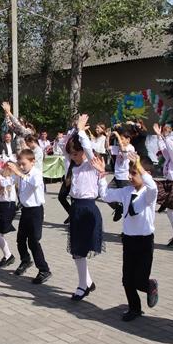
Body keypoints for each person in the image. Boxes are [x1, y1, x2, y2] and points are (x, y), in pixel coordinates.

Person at [95, 153, 158, 321]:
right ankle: (134, 308)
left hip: (145, 241)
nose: (130, 176)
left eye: (134, 173)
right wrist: (101, 177)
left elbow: (153, 188)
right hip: (129, 240)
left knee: (140, 279)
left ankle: (150, 285)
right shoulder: (126, 191)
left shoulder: (149, 194)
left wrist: (141, 166)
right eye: (129, 172)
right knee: (127, 279)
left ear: (146, 174)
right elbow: (106, 195)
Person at [65, 114, 105, 301]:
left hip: (88, 209)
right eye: (71, 154)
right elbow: (62, 147)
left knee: (80, 249)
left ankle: (83, 285)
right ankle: (86, 282)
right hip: (76, 209)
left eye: (76, 153)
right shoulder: (74, 166)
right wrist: (74, 130)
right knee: (76, 249)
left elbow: (88, 147)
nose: (73, 157)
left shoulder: (91, 164)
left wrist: (81, 131)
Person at [7, 149, 52, 284]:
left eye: (24, 164)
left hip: (36, 211)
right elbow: (7, 177)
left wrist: (18, 173)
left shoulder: (36, 173)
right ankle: (25, 261)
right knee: (20, 239)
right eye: (19, 164)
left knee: (33, 241)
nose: (21, 166)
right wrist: (3, 167)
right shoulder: (22, 173)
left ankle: (44, 270)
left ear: (33, 162)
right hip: (25, 210)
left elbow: (34, 184)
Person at [153, 123, 173, 247]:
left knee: (170, 213)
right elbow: (164, 149)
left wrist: (165, 136)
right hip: (167, 183)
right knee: (152, 188)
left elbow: (170, 148)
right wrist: (158, 136)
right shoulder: (170, 158)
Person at [108, 127, 133, 222]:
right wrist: (108, 137)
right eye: (119, 139)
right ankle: (118, 208)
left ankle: (127, 227)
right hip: (116, 177)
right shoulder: (118, 147)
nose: (120, 141)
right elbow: (107, 147)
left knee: (127, 202)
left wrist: (118, 135)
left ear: (128, 139)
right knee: (106, 193)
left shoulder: (130, 147)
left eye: (122, 139)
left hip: (125, 178)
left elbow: (123, 150)